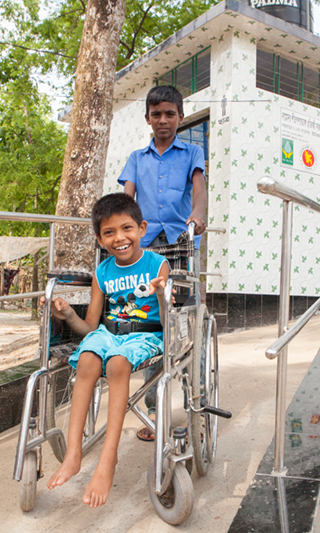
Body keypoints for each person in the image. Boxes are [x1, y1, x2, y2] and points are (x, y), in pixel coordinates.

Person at [43, 193, 169, 508]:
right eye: (109, 233)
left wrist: (163, 290)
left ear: (141, 228)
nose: (119, 238)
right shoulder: (103, 273)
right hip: (107, 332)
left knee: (116, 364)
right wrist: (67, 314)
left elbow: (167, 305)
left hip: (146, 334)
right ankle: (74, 453)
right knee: (86, 359)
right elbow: (90, 325)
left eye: (126, 228)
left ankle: (108, 458)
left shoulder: (157, 264)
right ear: (100, 239)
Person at [118, 85, 207, 442]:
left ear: (180, 117)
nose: (163, 120)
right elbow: (125, 200)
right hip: (147, 249)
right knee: (151, 323)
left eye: (170, 114)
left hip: (181, 244)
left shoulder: (192, 152)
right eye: (156, 115)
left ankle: (196, 408)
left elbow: (198, 194)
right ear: (147, 119)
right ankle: (153, 412)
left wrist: (198, 215)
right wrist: (119, 229)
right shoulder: (137, 158)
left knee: (189, 322)